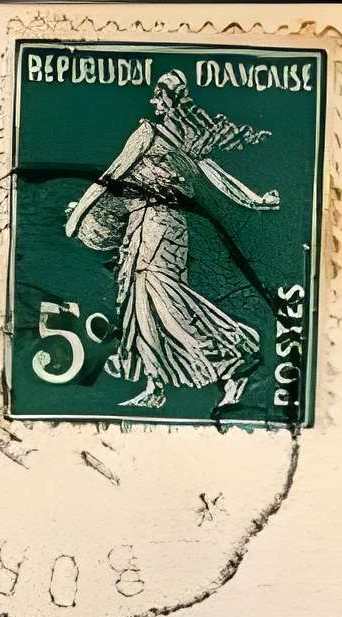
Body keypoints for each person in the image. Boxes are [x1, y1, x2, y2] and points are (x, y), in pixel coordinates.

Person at [63, 71, 279, 409]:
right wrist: (256, 200)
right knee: (141, 302)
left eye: (161, 95)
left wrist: (75, 219)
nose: (155, 101)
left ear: (174, 100)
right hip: (147, 225)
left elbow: (110, 178)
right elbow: (117, 181)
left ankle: (234, 358)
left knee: (164, 297)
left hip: (159, 226)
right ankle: (155, 385)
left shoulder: (165, 138)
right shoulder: (167, 137)